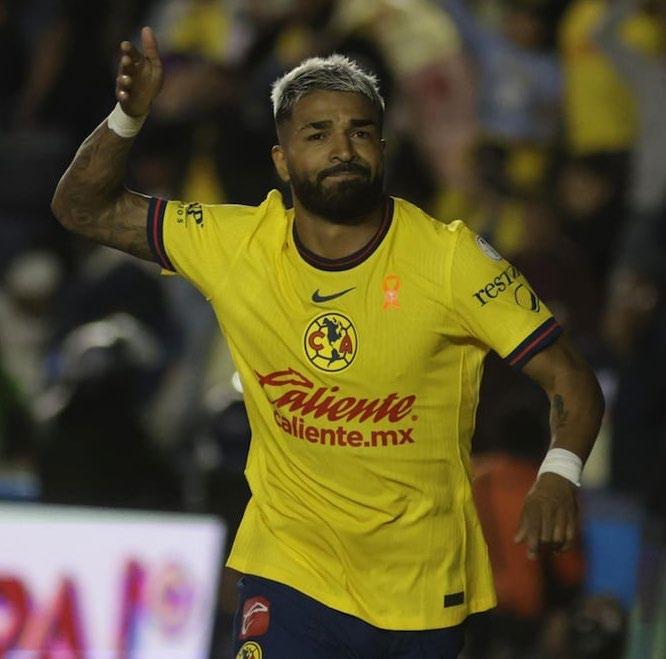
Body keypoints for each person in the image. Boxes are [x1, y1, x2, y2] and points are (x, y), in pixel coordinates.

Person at [51, 27, 604, 659]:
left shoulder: (451, 261)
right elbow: (82, 208)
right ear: (282, 160)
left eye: (359, 132)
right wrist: (129, 117)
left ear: (382, 149)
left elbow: (571, 379)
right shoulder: (235, 245)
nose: (342, 148)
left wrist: (558, 475)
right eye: (317, 134)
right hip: (290, 575)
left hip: (421, 590)